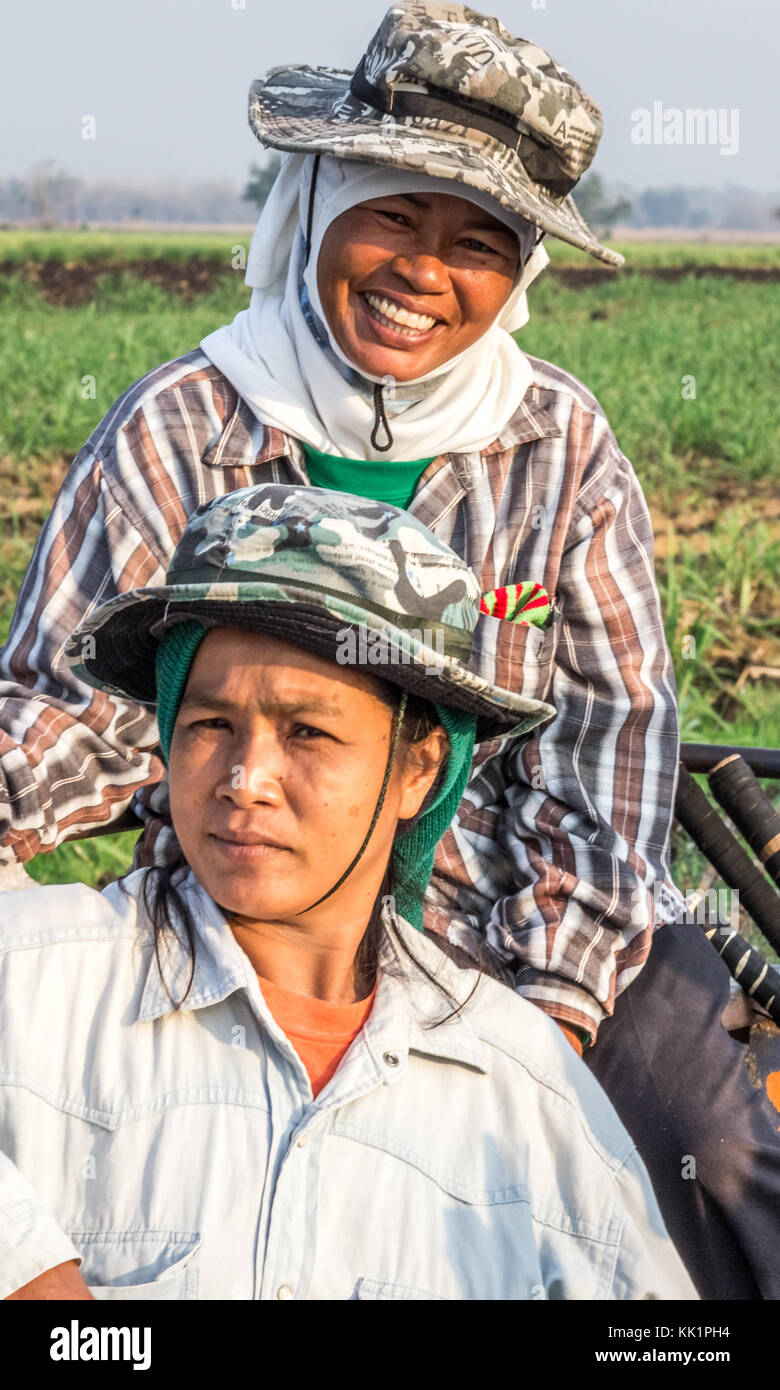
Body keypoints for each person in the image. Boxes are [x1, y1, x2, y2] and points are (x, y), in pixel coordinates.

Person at [0, 2, 776, 1296]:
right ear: (315, 205)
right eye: (392, 216)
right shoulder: (183, 426)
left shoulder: (561, 453)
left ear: (518, 273)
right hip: (248, 903)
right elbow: (69, 706)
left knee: (705, 1142)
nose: (425, 270)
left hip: (533, 926)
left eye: (477, 241)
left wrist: (547, 1022)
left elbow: (608, 759)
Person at [0, 484, 698, 1301]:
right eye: (209, 725)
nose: (246, 780)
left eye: (309, 733)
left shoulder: (522, 1087)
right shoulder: (36, 970)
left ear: (418, 770)